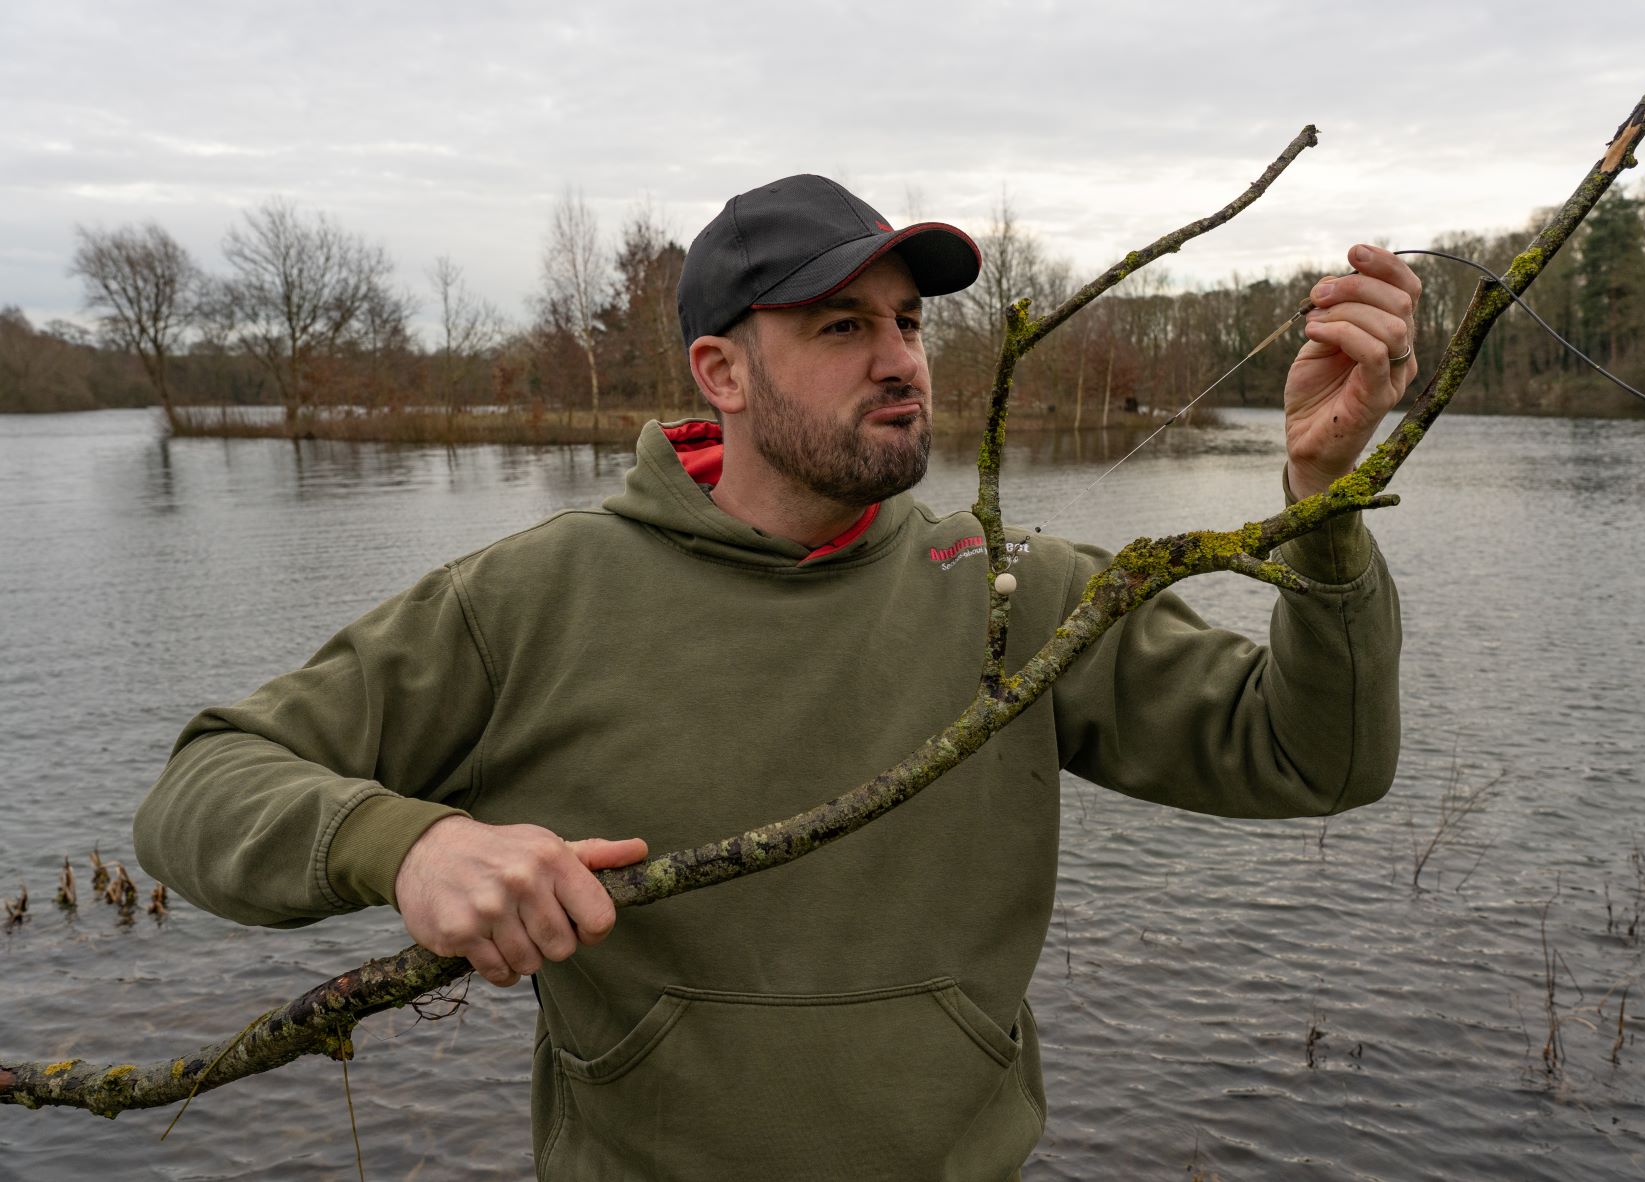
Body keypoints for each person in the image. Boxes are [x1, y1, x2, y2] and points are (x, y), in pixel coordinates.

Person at [136, 173, 1417, 1181]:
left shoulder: (1020, 593)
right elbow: (202, 784)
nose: (903, 360)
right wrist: (406, 847)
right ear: (722, 373)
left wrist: (1325, 499)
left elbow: (1320, 760)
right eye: (842, 326)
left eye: (911, 324)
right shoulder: (531, 601)